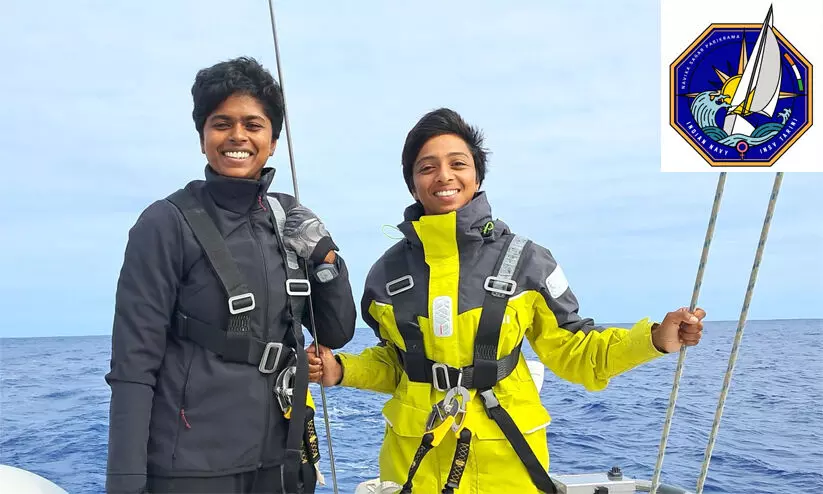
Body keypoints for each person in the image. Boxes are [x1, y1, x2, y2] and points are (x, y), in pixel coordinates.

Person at [307, 108, 705, 493]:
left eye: (457, 163)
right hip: (414, 465)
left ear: (477, 174)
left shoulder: (528, 261)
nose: (443, 175)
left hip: (509, 467)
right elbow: (398, 365)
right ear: (412, 183)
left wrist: (655, 339)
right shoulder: (385, 275)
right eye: (427, 167)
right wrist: (341, 369)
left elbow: (576, 352)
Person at [105, 56, 357, 494]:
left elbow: (335, 330)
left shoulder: (289, 219)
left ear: (273, 140)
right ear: (203, 137)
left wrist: (325, 258)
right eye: (221, 123)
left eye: (253, 125)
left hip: (283, 459)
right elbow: (133, 365)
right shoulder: (165, 223)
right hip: (194, 466)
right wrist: (124, 483)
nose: (237, 136)